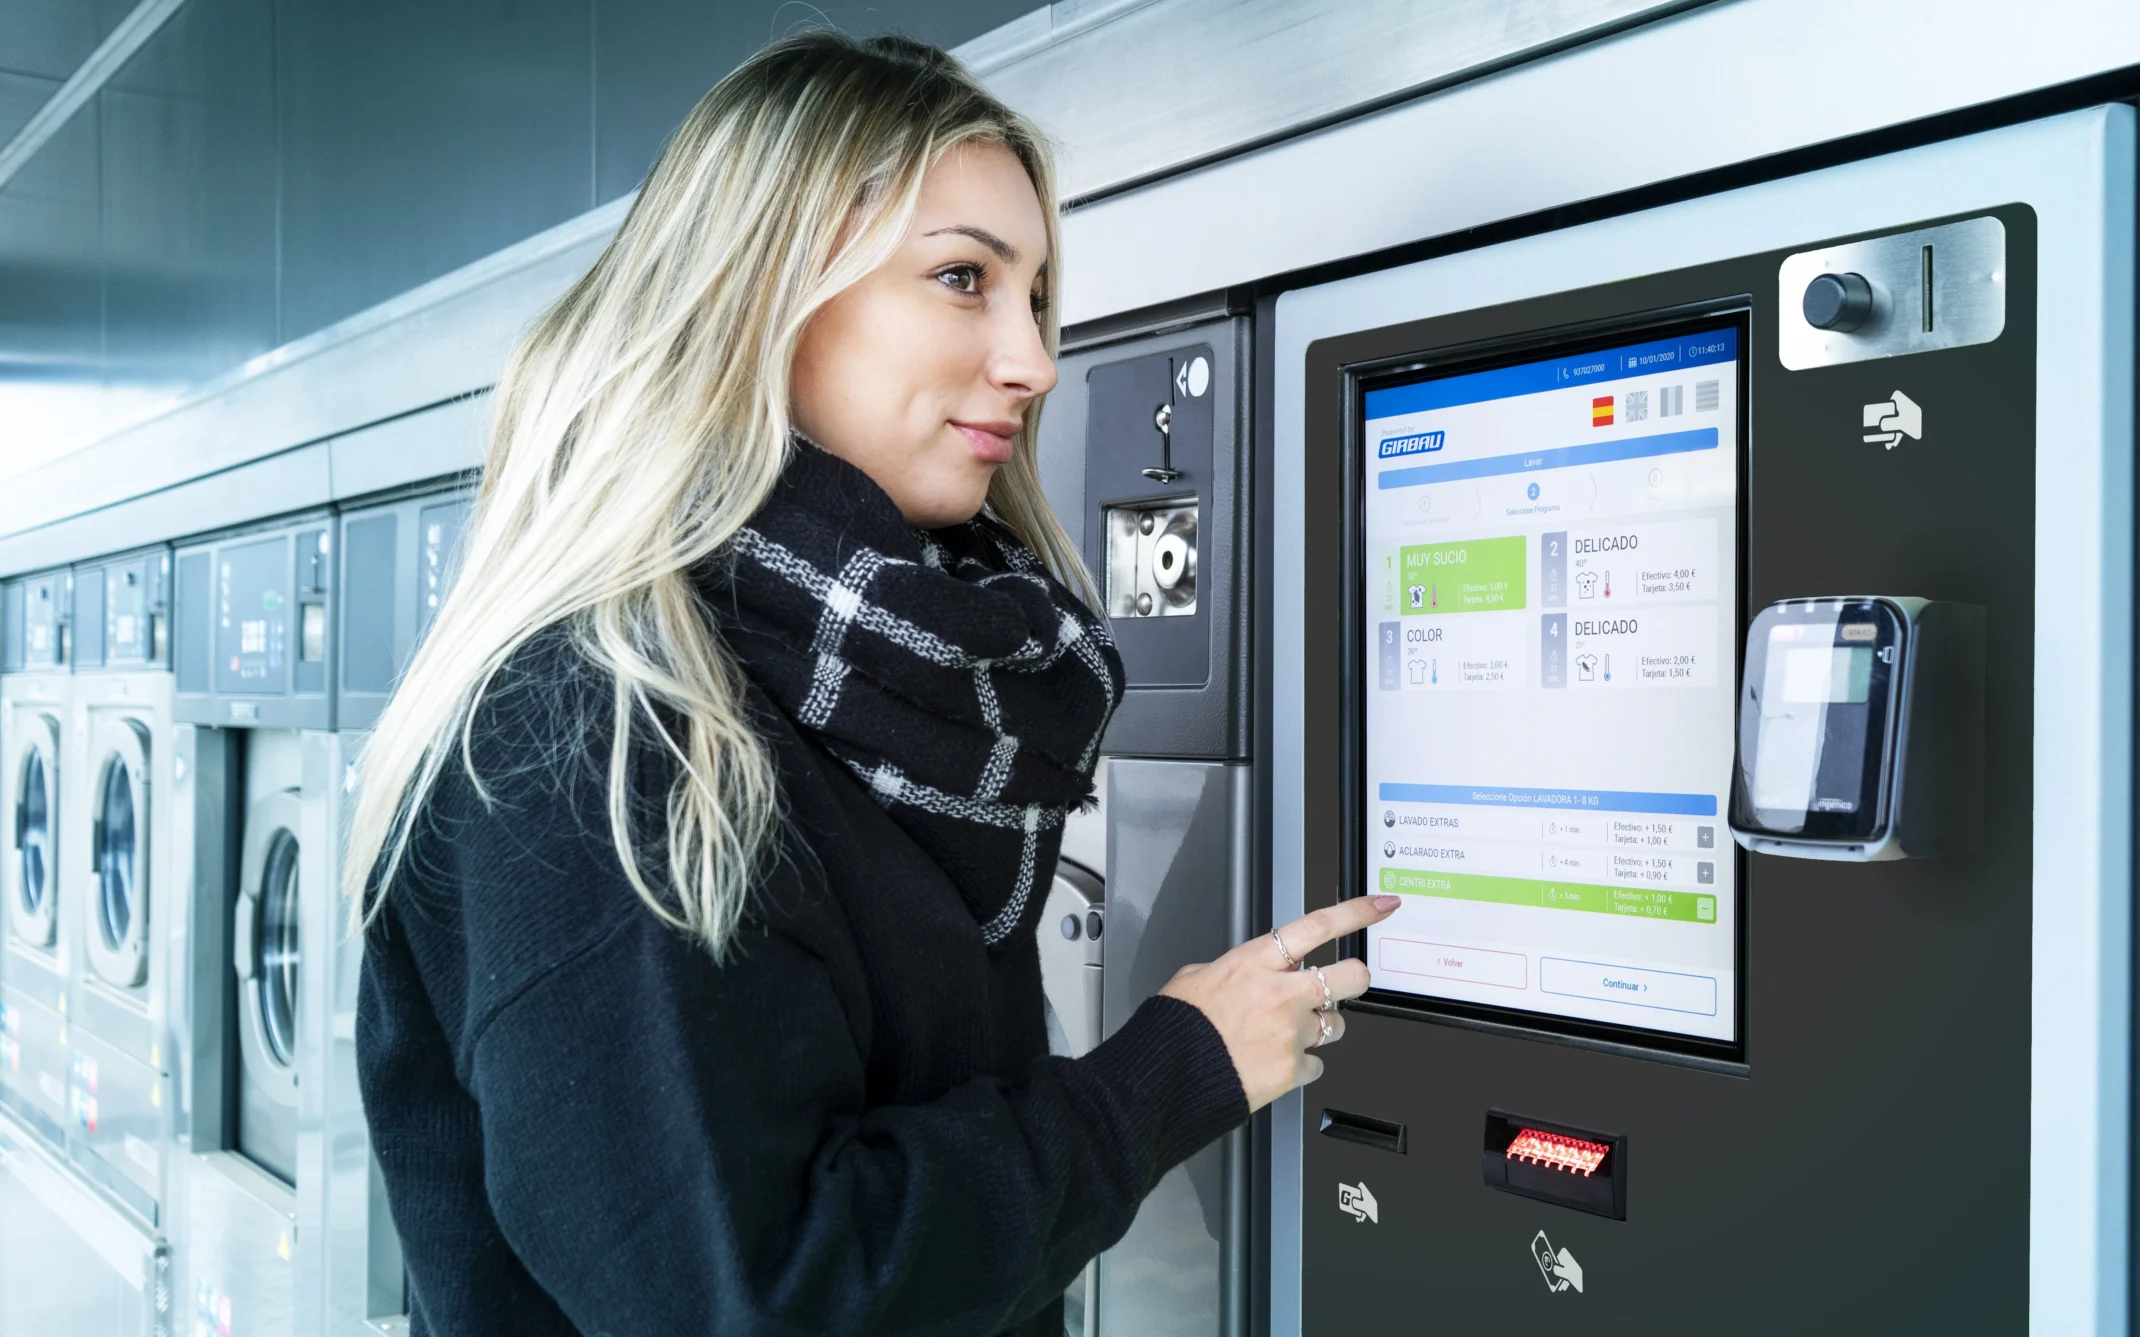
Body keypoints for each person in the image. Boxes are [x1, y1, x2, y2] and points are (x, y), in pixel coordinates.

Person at [348, 31, 1396, 1336]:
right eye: (962, 278)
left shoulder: (884, 704)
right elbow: (757, 1298)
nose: (1034, 361)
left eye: (1034, 296)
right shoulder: (597, 731)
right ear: (763, 296)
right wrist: (1164, 1078)